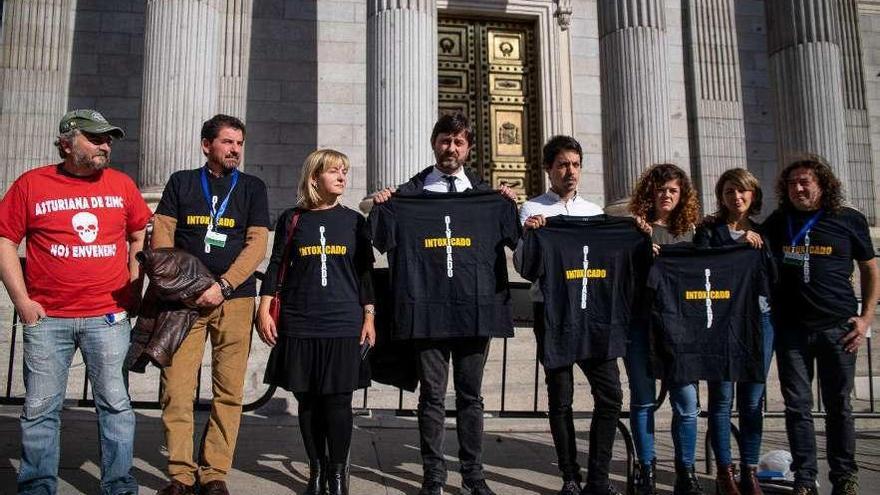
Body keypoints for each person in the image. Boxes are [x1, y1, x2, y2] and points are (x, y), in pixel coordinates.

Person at [0, 109, 151, 495]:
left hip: (108, 317)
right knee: (39, 411)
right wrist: (22, 301)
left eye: (109, 139)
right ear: (67, 142)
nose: (106, 145)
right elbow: (4, 241)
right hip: (48, 319)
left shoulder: (121, 184)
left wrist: (134, 288)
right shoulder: (32, 184)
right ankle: (36, 487)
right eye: (96, 138)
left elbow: (138, 236)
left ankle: (119, 486)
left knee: (116, 407)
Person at [373, 113, 517, 495]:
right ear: (434, 143)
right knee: (432, 396)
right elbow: (378, 236)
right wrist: (382, 204)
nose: (450, 148)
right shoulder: (409, 195)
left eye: (458, 142)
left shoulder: (487, 198)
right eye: (444, 140)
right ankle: (433, 476)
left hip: (474, 310)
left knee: (471, 397)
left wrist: (511, 206)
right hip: (428, 311)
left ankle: (474, 474)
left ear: (468, 148)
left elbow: (519, 243)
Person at [152, 114, 270, 495]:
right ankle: (181, 475)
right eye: (228, 142)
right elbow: (163, 241)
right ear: (207, 145)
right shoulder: (181, 182)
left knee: (229, 390)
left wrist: (223, 284)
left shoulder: (252, 187)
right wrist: (185, 288)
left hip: (234, 300)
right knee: (177, 388)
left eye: (239, 143)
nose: (235, 149)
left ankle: (214, 471)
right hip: (184, 303)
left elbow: (256, 245)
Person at [256, 149, 375, 495]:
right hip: (300, 319)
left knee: (338, 401)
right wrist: (264, 309)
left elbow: (365, 272)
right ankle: (316, 470)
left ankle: (337, 476)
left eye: (344, 171)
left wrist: (369, 315)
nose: (342, 177)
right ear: (314, 178)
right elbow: (277, 264)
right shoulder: (293, 219)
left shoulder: (354, 221)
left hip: (342, 320)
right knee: (307, 400)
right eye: (334, 171)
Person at [762, 155, 879, 495]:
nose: (798, 188)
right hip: (792, 330)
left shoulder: (847, 220)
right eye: (791, 183)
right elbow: (750, 242)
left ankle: (844, 477)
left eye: (805, 182)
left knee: (839, 406)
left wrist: (866, 317)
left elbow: (871, 269)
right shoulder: (778, 221)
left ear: (822, 185)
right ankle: (803, 477)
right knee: (797, 407)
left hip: (838, 328)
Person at [515, 135, 623, 495]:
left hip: (593, 313)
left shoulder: (595, 213)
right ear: (549, 169)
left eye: (575, 164)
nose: (570, 171)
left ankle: (599, 476)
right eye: (562, 164)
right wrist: (531, 237)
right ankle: (569, 475)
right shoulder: (532, 210)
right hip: (554, 314)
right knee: (560, 397)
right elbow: (525, 267)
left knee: (610, 394)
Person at [694, 168, 774, 495]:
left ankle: (750, 469)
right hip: (721, 323)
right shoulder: (709, 230)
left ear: (752, 195)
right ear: (721, 195)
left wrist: (759, 246)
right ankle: (725, 472)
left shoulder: (765, 232)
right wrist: (736, 241)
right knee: (721, 399)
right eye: (729, 191)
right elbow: (703, 268)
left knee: (753, 401)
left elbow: (773, 278)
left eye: (742, 191)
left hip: (759, 321)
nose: (736, 197)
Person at [627, 163, 703, 495]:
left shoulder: (694, 232)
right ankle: (646, 470)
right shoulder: (635, 231)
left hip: (682, 329)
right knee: (643, 400)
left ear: (682, 194)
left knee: (686, 403)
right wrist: (639, 251)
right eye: (661, 190)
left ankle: (686, 472)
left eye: (673, 190)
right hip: (641, 325)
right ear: (650, 193)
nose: (667, 196)